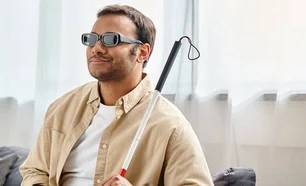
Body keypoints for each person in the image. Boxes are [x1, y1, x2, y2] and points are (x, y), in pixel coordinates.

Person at [19, 4, 213, 186]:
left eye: (111, 39)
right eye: (91, 39)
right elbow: (35, 171)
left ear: (142, 52)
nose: (97, 48)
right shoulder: (62, 107)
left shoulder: (170, 125)